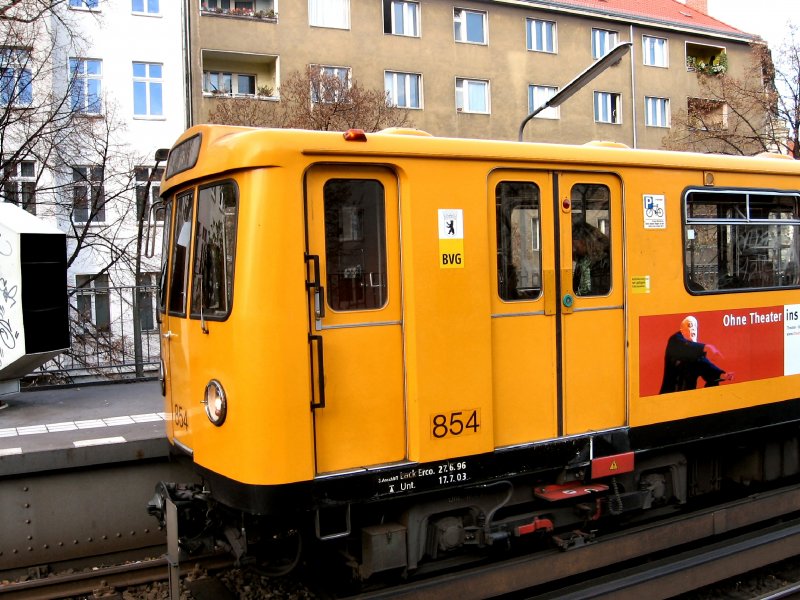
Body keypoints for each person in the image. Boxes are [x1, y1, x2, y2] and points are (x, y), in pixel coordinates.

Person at [659, 315, 733, 394]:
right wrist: (707, 347)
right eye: (690, 325)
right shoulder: (675, 341)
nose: (693, 328)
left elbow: (708, 368)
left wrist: (723, 375)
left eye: (695, 326)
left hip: (688, 399)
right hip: (670, 397)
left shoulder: (696, 355)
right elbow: (684, 346)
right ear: (681, 330)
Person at [572, 221, 610, 296]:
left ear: (586, 241)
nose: (573, 249)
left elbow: (599, 291)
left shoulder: (604, 262)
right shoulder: (582, 260)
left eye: (574, 245)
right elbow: (575, 287)